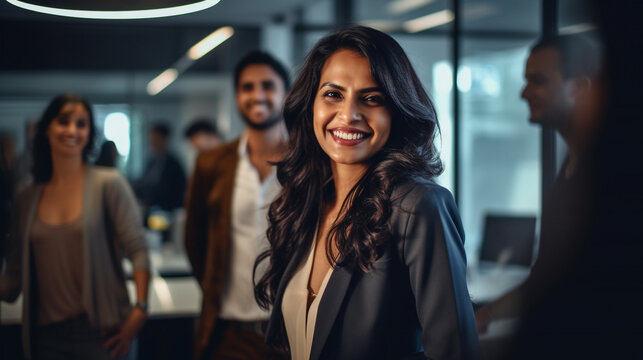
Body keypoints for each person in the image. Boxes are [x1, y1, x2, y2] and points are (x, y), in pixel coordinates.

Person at [254, 26, 480, 360]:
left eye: (372, 99)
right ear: (310, 105)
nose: (349, 115)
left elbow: (454, 350)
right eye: (333, 94)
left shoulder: (418, 206)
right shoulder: (307, 202)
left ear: (396, 112)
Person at [0, 93, 150, 359]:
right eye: (64, 121)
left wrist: (140, 309)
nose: (72, 130)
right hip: (45, 337)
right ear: (47, 128)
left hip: (102, 334)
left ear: (89, 133)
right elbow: (12, 280)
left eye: (81, 124)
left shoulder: (108, 183)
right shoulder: (27, 198)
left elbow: (138, 249)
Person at [474, 34, 603, 337]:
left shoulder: (604, 177)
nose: (524, 93)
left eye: (538, 81)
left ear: (579, 87)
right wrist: (487, 313)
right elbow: (548, 278)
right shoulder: (571, 167)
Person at [184, 51, 290, 360]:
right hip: (230, 332)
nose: (257, 95)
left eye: (268, 85)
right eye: (247, 87)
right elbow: (195, 240)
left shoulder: (307, 163)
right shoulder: (212, 163)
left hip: (293, 332)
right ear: (236, 96)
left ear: (286, 94)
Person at [133, 123, 187, 213]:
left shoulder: (174, 164)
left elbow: (176, 192)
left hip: (167, 211)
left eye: (156, 139)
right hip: (151, 209)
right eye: (151, 139)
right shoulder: (151, 162)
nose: (152, 143)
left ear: (165, 139)